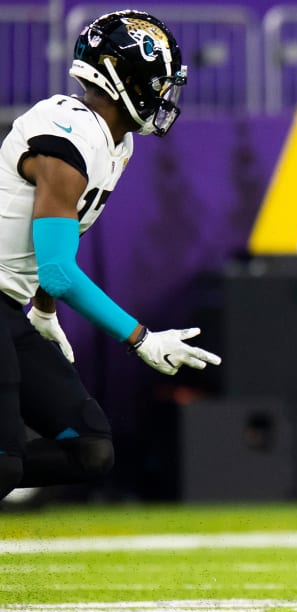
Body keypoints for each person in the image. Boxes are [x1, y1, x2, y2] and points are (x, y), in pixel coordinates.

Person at [0, 10, 220, 501]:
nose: (164, 95)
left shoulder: (113, 142)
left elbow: (49, 243)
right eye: (158, 83)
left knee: (90, 450)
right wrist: (140, 338)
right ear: (127, 78)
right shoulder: (69, 132)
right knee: (5, 461)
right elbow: (58, 269)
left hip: (8, 305)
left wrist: (42, 310)